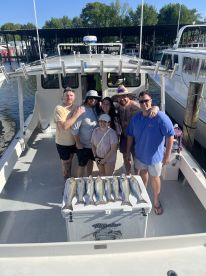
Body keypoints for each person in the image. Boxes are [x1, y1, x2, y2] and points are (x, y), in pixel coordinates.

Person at [126, 91, 174, 215]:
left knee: (155, 177)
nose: (144, 103)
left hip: (155, 158)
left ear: (151, 101)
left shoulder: (161, 117)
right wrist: (127, 152)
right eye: (141, 101)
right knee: (143, 173)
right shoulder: (135, 118)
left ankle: (156, 201)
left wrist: (167, 155)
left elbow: (170, 136)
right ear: (139, 103)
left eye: (146, 101)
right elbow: (130, 136)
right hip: (140, 155)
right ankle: (143, 194)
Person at [113, 85, 159, 175]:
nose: (122, 98)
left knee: (136, 158)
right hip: (124, 136)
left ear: (128, 96)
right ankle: (128, 173)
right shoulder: (117, 107)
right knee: (125, 157)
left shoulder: (136, 106)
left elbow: (149, 108)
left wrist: (155, 108)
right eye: (119, 97)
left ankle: (136, 175)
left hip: (136, 137)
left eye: (124, 96)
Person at [54, 87, 85, 180]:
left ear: (74, 97)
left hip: (74, 141)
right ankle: (66, 181)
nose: (69, 97)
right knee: (65, 163)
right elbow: (65, 126)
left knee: (70, 160)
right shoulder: (59, 109)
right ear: (63, 97)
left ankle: (69, 178)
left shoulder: (77, 107)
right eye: (66, 95)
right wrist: (76, 114)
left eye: (71, 95)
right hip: (63, 143)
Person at [71, 90, 101, 177]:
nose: (93, 100)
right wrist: (78, 143)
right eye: (91, 98)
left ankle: (89, 178)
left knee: (91, 161)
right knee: (81, 165)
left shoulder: (97, 108)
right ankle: (78, 183)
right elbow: (74, 129)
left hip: (94, 145)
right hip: (83, 145)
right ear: (87, 99)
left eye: (95, 98)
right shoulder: (81, 110)